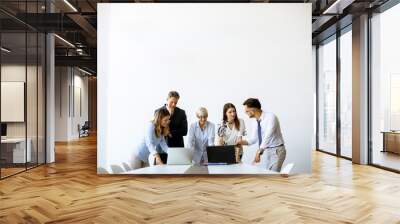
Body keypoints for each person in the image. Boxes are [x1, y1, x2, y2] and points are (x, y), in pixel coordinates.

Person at [236, 98, 286, 172]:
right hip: (267, 151)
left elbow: (268, 136)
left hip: (277, 150)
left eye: (247, 111)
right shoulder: (255, 122)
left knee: (273, 176)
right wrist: (241, 142)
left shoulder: (271, 117)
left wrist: (259, 152)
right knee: (268, 175)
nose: (246, 113)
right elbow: (253, 139)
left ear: (253, 110)